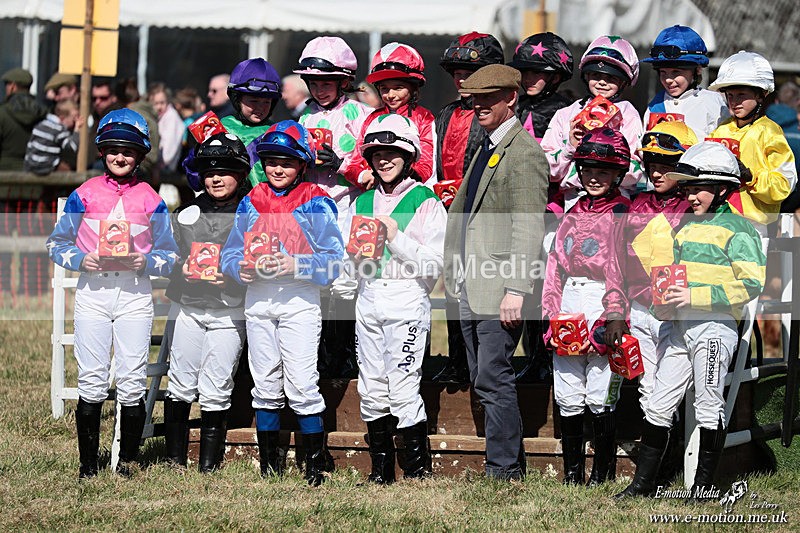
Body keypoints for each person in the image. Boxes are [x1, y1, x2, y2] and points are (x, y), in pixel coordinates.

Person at [616, 142, 766, 499]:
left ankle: (703, 487)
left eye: (697, 188)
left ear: (722, 189)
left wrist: (696, 297)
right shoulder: (683, 227)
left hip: (715, 329)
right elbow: (674, 279)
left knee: (708, 403)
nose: (690, 195)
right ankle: (643, 485)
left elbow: (750, 283)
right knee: (657, 403)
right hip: (680, 329)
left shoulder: (739, 229)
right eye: (686, 188)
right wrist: (663, 304)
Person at [45, 109, 178, 478]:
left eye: (130, 151)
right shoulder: (83, 193)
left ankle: (128, 463)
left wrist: (146, 261)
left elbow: (170, 256)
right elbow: (56, 243)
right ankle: (89, 464)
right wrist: (80, 259)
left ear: (140, 155)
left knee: (132, 378)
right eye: (114, 150)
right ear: (102, 150)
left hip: (135, 293)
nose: (121, 157)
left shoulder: (151, 198)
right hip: (94, 291)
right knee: (92, 377)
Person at [220, 120, 344, 486]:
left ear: (302, 164)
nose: (277, 168)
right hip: (258, 301)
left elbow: (335, 261)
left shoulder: (316, 201)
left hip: (299, 302)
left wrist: (298, 264)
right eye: (272, 160)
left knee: (303, 383)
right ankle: (269, 463)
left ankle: (315, 463)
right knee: (265, 382)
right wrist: (237, 268)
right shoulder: (251, 200)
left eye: (287, 162)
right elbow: (229, 253)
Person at [443, 64, 547, 481]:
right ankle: (500, 462)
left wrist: (516, 290)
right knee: (483, 376)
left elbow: (528, 226)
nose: (479, 105)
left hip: (498, 285)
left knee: (493, 377)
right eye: (474, 98)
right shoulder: (490, 144)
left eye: (489, 97)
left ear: (512, 99)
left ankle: (504, 469)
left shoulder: (524, 153)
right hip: (473, 280)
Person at [337, 114, 446, 482]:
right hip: (368, 301)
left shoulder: (426, 201)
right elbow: (347, 259)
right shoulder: (362, 201)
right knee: (371, 387)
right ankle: (381, 472)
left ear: (409, 155)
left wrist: (396, 238)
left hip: (406, 301)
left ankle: (416, 473)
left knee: (401, 388)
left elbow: (434, 264)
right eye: (377, 153)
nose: (384, 159)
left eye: (393, 152)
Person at [605, 120, 696, 482]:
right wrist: (615, 311)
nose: (656, 170)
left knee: (669, 393)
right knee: (647, 389)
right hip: (639, 312)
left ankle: (676, 464)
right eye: (651, 161)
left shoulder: (694, 208)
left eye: (666, 162)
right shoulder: (633, 206)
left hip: (678, 315)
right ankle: (657, 471)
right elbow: (615, 265)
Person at [541, 128, 631, 486]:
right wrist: (551, 313)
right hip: (569, 303)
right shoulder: (572, 211)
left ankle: (603, 472)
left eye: (604, 171)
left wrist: (614, 316)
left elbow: (621, 269)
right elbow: (554, 267)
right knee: (567, 388)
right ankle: (572, 473)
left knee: (600, 390)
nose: (594, 177)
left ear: (618, 175)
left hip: (602, 301)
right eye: (588, 169)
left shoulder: (623, 212)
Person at [163, 133, 250, 472]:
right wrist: (180, 267)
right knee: (181, 380)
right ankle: (173, 460)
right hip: (190, 306)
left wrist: (233, 275)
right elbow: (167, 255)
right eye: (209, 171)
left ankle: (209, 465)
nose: (215, 178)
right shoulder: (185, 213)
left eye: (225, 170)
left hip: (230, 309)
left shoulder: (251, 211)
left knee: (217, 384)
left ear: (241, 174)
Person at [293, 36, 372, 378]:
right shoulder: (304, 116)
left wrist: (341, 163)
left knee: (346, 284)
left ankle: (348, 356)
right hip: (312, 211)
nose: (320, 89)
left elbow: (373, 169)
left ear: (344, 81)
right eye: (314, 83)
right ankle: (320, 356)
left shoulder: (360, 114)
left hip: (348, 208)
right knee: (316, 282)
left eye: (327, 82)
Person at [433, 31, 505, 384]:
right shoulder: (445, 113)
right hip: (450, 213)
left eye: (470, 71)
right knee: (453, 286)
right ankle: (458, 360)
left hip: (487, 216)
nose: (462, 78)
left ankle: (487, 362)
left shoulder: (498, 114)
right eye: (457, 72)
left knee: (486, 289)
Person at [540, 35, 644, 206]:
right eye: (596, 75)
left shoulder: (628, 114)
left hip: (614, 201)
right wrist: (570, 148)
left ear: (624, 82)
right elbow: (547, 169)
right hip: (572, 200)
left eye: (611, 78)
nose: (602, 82)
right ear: (586, 76)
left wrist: (605, 156)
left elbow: (635, 170)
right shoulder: (565, 114)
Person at [707, 51, 797, 235]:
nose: (734, 102)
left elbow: (785, 184)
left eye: (741, 95)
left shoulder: (770, 131)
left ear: (761, 95)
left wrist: (751, 177)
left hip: (752, 227)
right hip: (716, 220)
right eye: (730, 95)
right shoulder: (719, 130)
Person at [343, 42, 437, 188]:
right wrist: (362, 175)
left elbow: (426, 165)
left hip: (410, 194)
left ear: (413, 87)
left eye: (398, 88)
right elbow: (355, 163)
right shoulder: (372, 118)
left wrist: (398, 176)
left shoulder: (424, 118)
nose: (390, 95)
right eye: (384, 89)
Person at [641, 25, 729, 140]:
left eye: (676, 72)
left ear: (697, 69)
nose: (668, 79)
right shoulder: (655, 105)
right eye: (663, 72)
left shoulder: (713, 102)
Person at [508, 32, 574, 142]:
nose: (528, 79)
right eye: (524, 72)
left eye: (536, 72)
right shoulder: (513, 104)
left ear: (555, 77)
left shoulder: (566, 110)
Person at [0, 67, 48, 170]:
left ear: (13, 86)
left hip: (4, 174)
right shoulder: (42, 112)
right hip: (34, 172)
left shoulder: (2, 112)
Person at [24, 99, 81, 174]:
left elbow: (30, 145)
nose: (74, 123)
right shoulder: (59, 129)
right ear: (62, 118)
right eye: (74, 119)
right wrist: (77, 129)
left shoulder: (41, 124)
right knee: (69, 171)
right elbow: (72, 147)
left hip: (31, 164)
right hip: (46, 165)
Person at [147, 83, 186, 173]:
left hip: (166, 173)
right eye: (155, 103)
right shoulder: (158, 118)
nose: (159, 107)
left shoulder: (171, 118)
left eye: (162, 103)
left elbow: (167, 153)